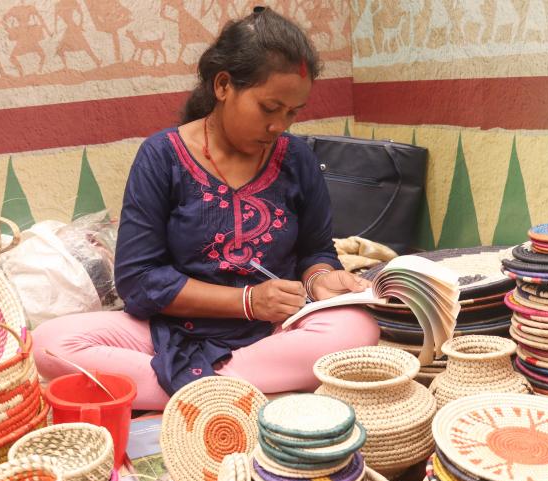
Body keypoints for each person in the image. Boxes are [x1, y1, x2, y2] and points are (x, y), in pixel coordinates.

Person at [32, 7, 379, 410]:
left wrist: (321, 279)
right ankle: (232, 388)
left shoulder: (296, 158)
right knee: (50, 343)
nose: (279, 126)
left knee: (359, 327)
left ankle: (194, 387)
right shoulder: (162, 156)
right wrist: (247, 301)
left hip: (272, 330)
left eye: (292, 112)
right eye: (269, 108)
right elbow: (138, 281)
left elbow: (315, 251)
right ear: (223, 85)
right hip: (171, 330)